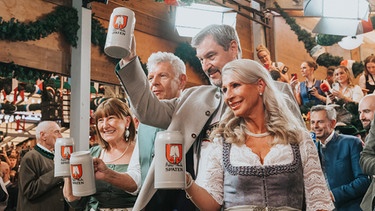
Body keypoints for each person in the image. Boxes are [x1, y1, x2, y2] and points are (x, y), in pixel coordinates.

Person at [115, 24, 303, 210]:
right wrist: (129, 59)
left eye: (211, 56)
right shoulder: (193, 98)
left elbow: (304, 155)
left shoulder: (279, 92)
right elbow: (148, 111)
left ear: (233, 48)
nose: (206, 66)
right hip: (202, 202)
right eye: (201, 59)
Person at [184, 59, 334, 210]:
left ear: (260, 85)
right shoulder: (222, 141)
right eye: (224, 89)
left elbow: (319, 202)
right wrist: (186, 181)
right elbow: (212, 205)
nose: (228, 96)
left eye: (235, 85)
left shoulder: (298, 138)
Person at [133, 51, 188, 210]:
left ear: (181, 80)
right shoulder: (143, 123)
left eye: (163, 76)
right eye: (150, 78)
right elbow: (136, 174)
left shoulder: (193, 115)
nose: (154, 83)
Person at [63, 98, 138, 210]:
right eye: (100, 120)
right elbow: (75, 201)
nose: (105, 125)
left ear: (127, 121)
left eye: (111, 118)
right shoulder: (93, 154)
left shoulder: (140, 151)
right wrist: (67, 174)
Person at [310, 105, 370, 210]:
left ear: (333, 123)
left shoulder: (351, 143)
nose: (315, 126)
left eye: (320, 122)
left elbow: (363, 180)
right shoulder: (311, 149)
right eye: (312, 122)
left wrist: (334, 195)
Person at [17, 121, 68, 211]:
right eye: (56, 132)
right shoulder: (30, 157)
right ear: (43, 135)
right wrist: (58, 172)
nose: (61, 136)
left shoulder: (57, 156)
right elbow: (30, 191)